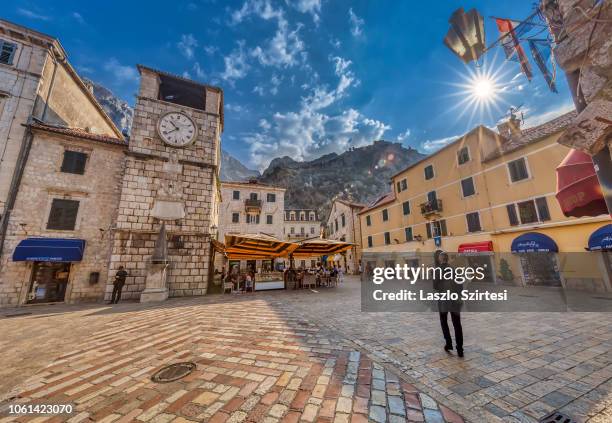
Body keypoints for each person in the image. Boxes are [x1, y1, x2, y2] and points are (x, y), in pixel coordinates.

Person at [433, 250, 464, 357]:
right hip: (455, 300)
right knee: (457, 324)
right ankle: (460, 349)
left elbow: (435, 286)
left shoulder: (437, 270)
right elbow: (460, 285)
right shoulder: (454, 269)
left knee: (444, 322)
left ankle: (449, 343)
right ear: (448, 259)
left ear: (440, 259)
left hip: (443, 300)